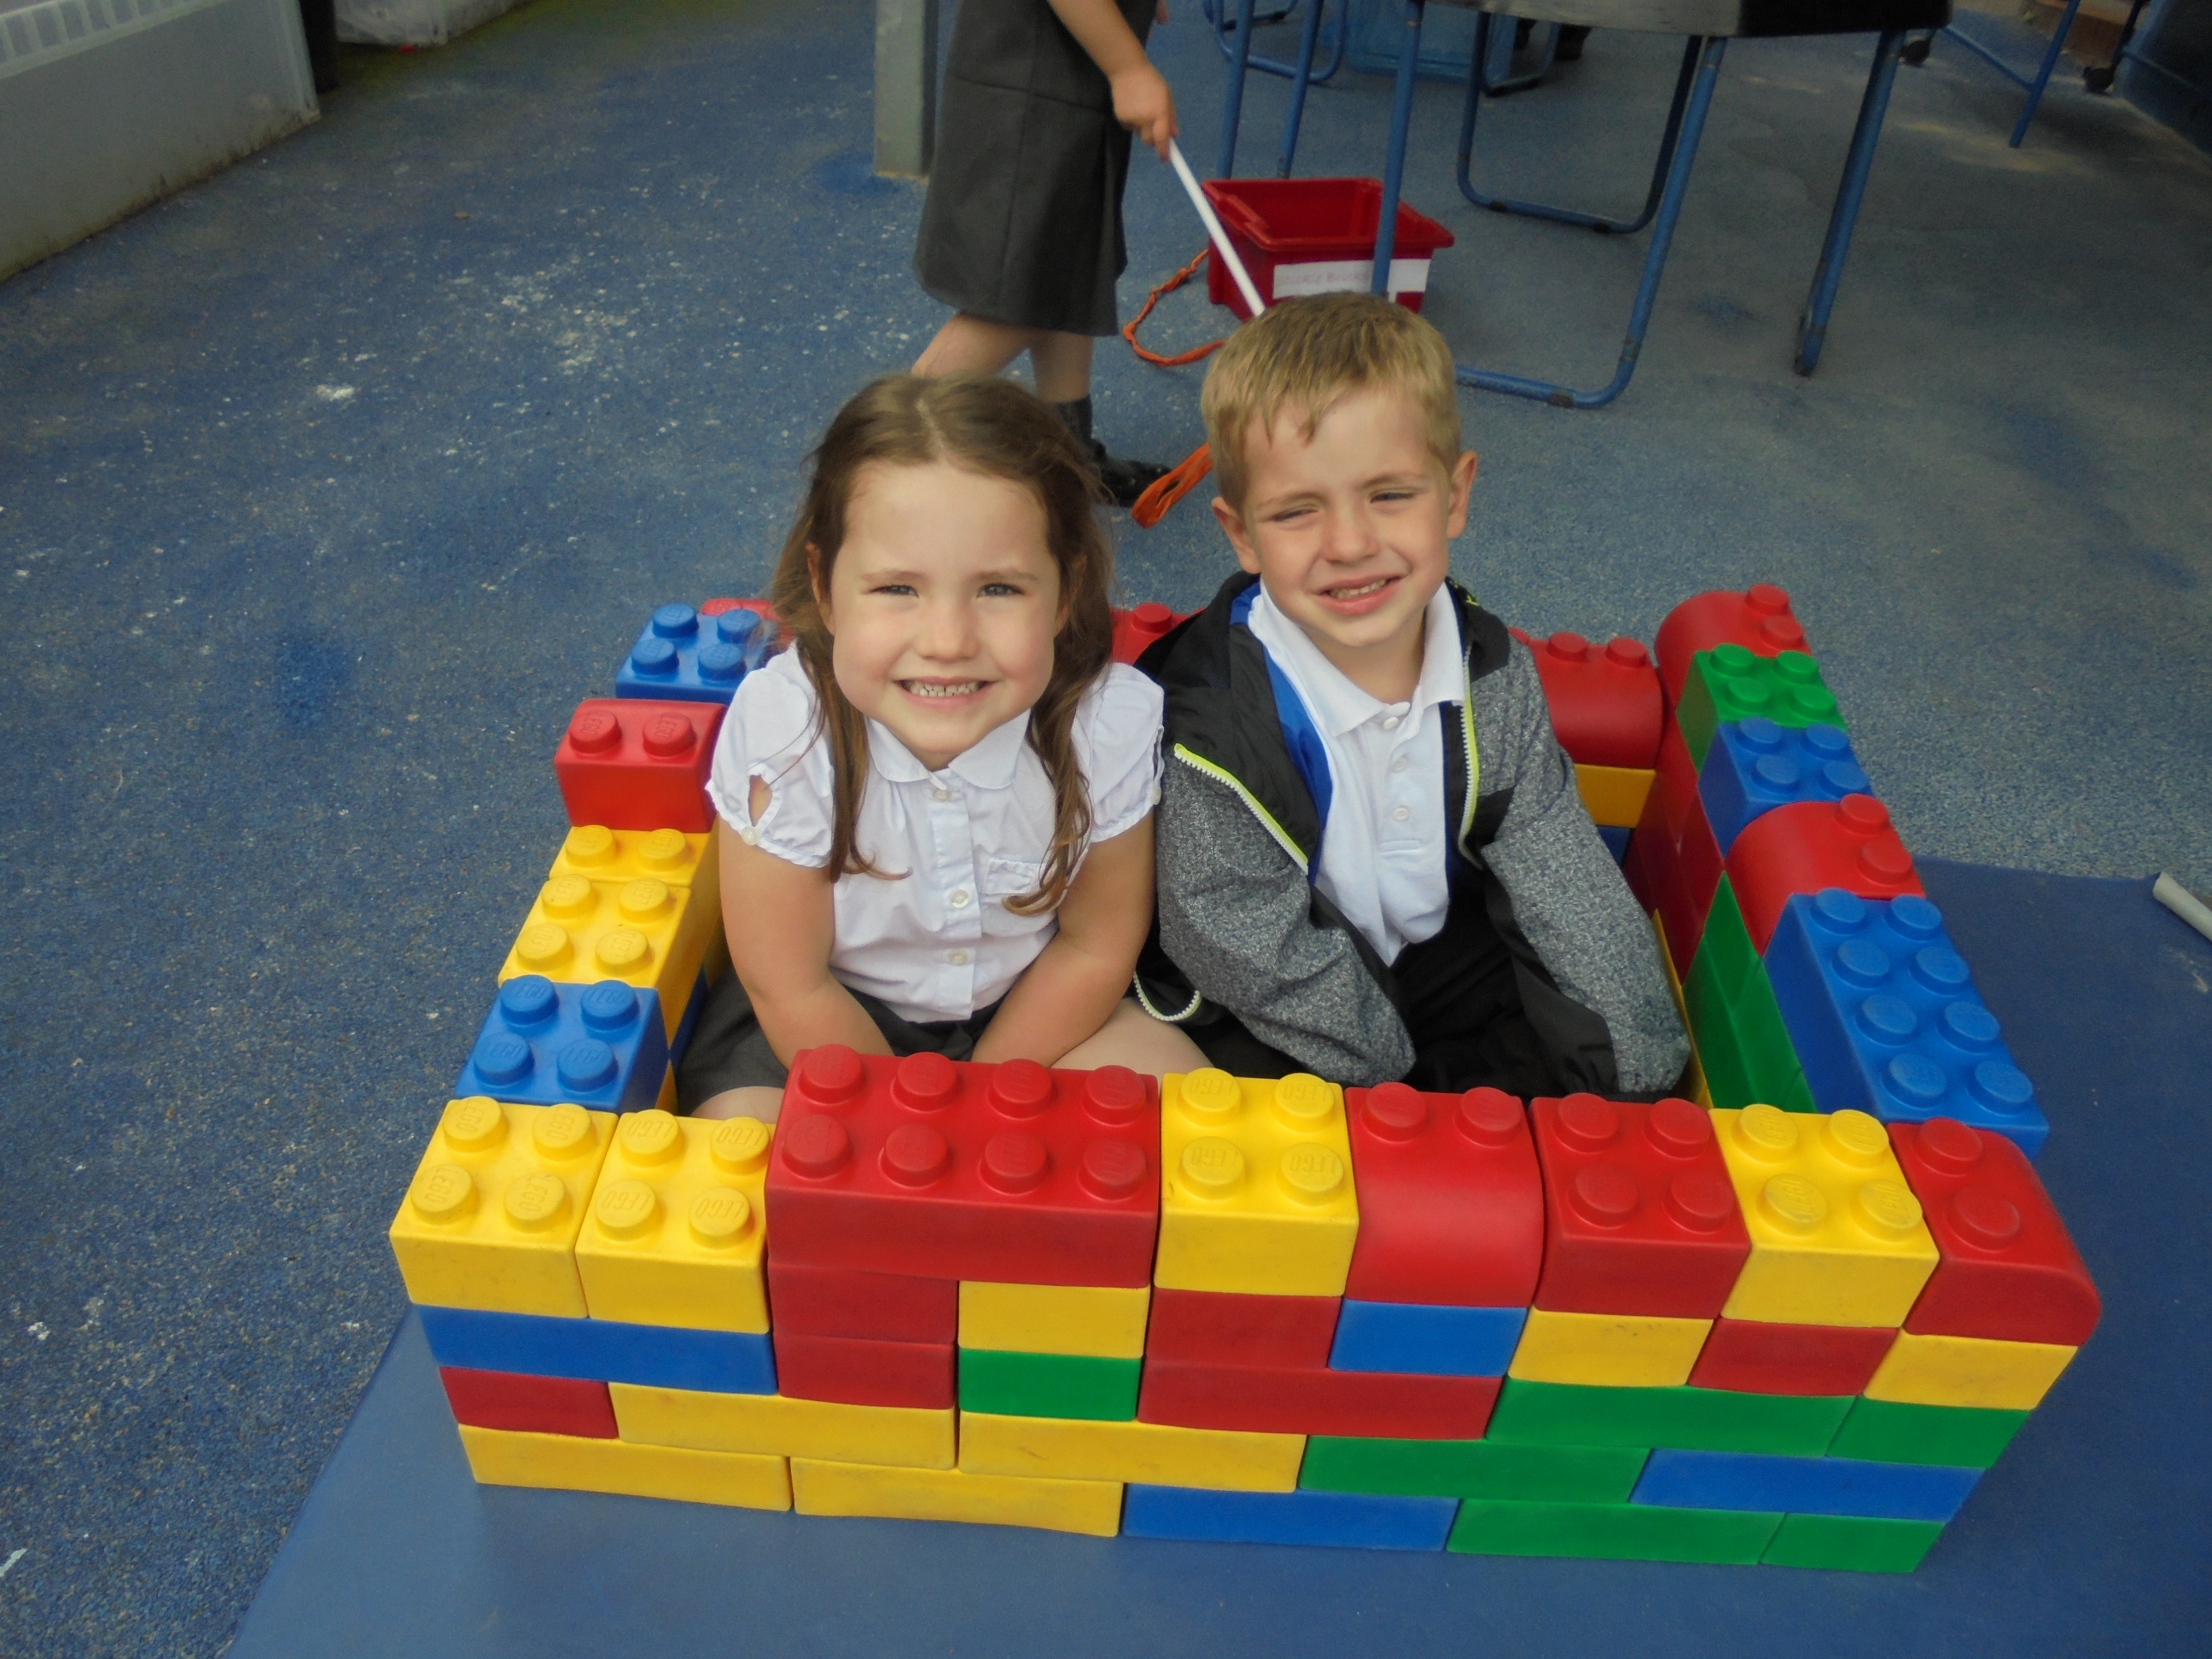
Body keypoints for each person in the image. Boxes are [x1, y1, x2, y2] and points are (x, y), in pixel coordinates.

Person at [1133, 294, 1689, 1099]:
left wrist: (1637, 1067)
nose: (1350, 544)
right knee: (1211, 1085)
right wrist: (1390, 1091)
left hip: (1432, 964)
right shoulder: (1212, 725)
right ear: (1243, 534)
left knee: (1586, 1037)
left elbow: (1560, 870)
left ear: (1455, 496)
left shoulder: (1490, 673)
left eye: (1389, 495)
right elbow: (1237, 935)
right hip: (1272, 996)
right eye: (1297, 511)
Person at [678, 375, 1206, 1121]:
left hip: (1035, 1010)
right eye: (898, 589)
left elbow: (1094, 948)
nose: (948, 642)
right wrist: (909, 1124)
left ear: (1065, 590)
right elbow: (789, 982)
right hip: (820, 1017)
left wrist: (979, 1099)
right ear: (825, 589)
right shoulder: (787, 734)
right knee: (740, 1148)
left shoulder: (1103, 723)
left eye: (999, 589)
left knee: (1175, 1103)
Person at [911, 0, 1177, 508]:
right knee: (1021, 297)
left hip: (1065, 79)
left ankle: (1068, 454)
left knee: (1068, 262)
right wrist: (1129, 67)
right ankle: (871, 459)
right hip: (1036, 88)